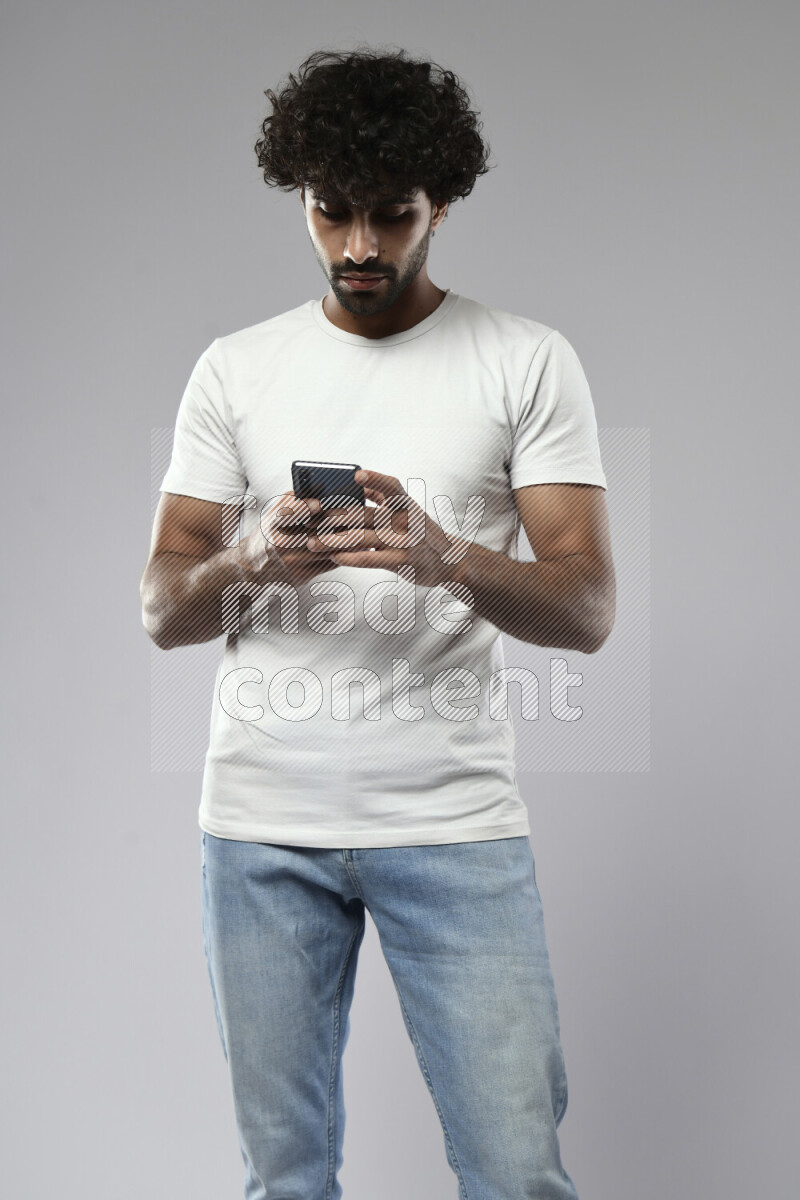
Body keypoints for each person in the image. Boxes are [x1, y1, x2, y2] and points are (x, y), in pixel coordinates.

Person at [140, 45, 615, 1200]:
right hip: (258, 833)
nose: (359, 246)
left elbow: (587, 604)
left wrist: (446, 559)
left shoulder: (523, 361)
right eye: (331, 213)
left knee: (515, 1173)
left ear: (438, 204)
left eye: (390, 217)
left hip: (453, 828)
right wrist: (258, 559)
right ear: (300, 199)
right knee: (284, 1181)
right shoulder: (235, 371)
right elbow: (162, 605)